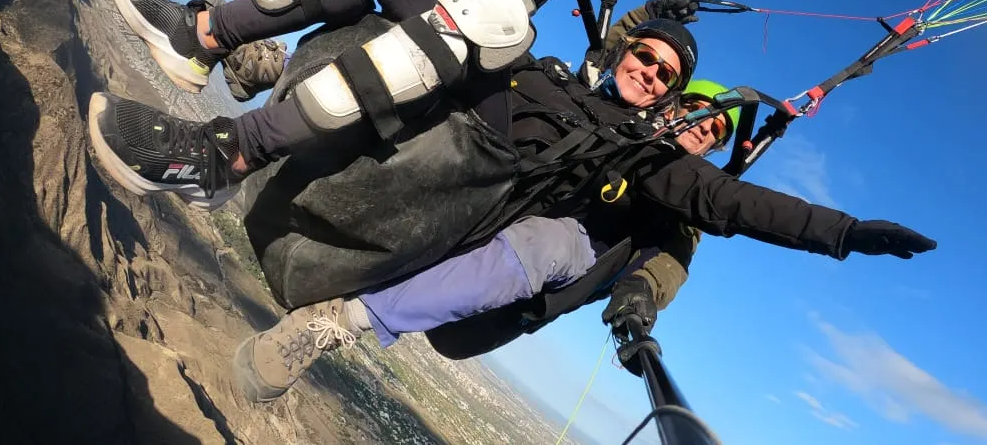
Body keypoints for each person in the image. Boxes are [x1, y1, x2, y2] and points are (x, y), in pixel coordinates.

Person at [89, 0, 936, 388]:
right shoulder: (551, 71)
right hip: (467, 99)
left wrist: (843, 233)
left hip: (494, 171)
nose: (650, 71)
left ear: (673, 101)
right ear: (623, 52)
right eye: (646, 55)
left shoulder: (645, 159)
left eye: (667, 75)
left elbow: (730, 205)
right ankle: (203, 34)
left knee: (546, 232)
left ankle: (222, 155)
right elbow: (466, 31)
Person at [230, 80, 740, 402]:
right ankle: (280, 94)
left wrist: (644, 289)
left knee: (543, 249)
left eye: (716, 129)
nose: (703, 128)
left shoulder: (690, 198)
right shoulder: (616, 110)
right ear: (675, 104)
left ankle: (346, 319)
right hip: (488, 211)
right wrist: (653, 14)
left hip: (530, 266)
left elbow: (676, 254)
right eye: (699, 109)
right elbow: (630, 58)